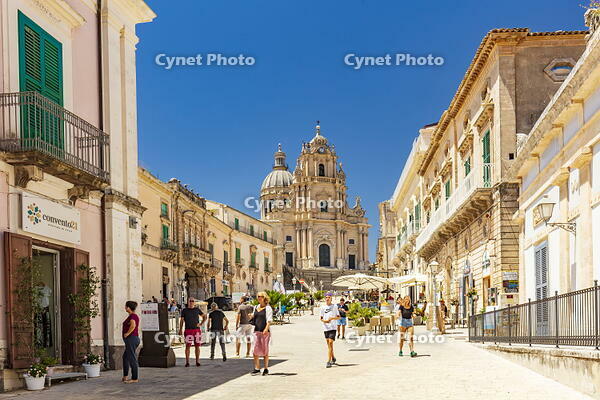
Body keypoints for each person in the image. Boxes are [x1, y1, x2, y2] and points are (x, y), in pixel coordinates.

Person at [250, 291, 273, 376]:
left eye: (261, 296)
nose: (259, 298)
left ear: (264, 298)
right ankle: (257, 368)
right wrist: (251, 316)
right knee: (255, 350)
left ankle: (266, 368)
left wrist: (266, 329)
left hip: (264, 331)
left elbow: (269, 320)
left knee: (265, 350)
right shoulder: (255, 307)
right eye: (258, 296)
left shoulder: (268, 308)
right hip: (256, 331)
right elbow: (254, 316)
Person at [179, 298, 206, 367]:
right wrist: (180, 329)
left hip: (196, 330)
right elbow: (182, 320)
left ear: (194, 302)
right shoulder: (184, 310)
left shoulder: (197, 309)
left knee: (197, 346)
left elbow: (204, 317)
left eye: (192, 301)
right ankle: (187, 362)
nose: (191, 302)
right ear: (187, 302)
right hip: (188, 330)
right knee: (188, 346)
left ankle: (197, 361)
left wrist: (201, 323)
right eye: (190, 301)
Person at [320, 293, 340, 368]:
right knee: (329, 345)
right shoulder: (322, 307)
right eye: (326, 297)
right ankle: (333, 357)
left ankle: (328, 361)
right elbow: (321, 318)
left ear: (331, 298)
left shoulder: (334, 306)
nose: (327, 299)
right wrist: (325, 321)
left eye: (329, 297)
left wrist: (332, 319)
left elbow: (339, 317)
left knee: (331, 343)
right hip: (326, 328)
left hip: (333, 327)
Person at [122, 301, 140, 383]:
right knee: (125, 357)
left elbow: (133, 325)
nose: (125, 307)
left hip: (131, 339)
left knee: (132, 358)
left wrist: (127, 333)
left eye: (126, 306)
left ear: (128, 307)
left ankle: (134, 378)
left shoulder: (133, 316)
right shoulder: (131, 316)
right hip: (131, 339)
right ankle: (125, 376)